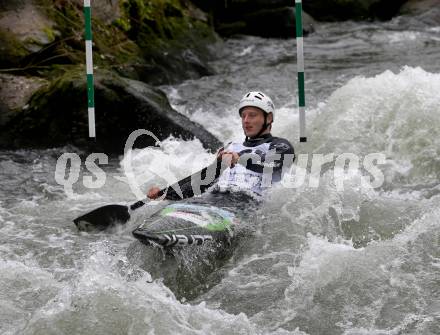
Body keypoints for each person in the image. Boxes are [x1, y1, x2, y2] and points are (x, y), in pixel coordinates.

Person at [147, 91, 295, 201]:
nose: (246, 120)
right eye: (243, 116)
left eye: (252, 115)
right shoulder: (231, 147)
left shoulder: (281, 145)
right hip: (215, 198)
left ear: (268, 118)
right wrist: (165, 194)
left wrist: (240, 159)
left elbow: (270, 163)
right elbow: (204, 180)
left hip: (248, 202)